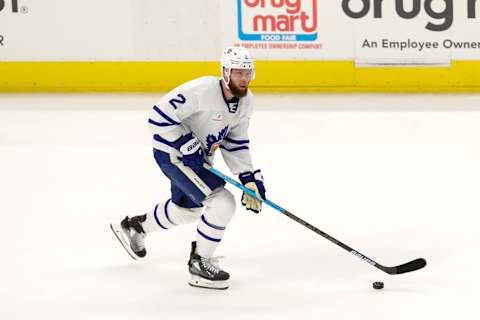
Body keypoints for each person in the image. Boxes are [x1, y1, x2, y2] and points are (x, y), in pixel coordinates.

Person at [110, 46, 266, 290]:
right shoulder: (201, 90)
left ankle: (135, 226)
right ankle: (198, 263)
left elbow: (235, 142)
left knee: (188, 209)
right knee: (222, 203)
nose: (244, 78)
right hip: (172, 154)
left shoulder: (246, 102)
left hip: (198, 159)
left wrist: (247, 177)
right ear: (225, 72)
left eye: (248, 73)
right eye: (238, 73)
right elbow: (158, 117)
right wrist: (184, 142)